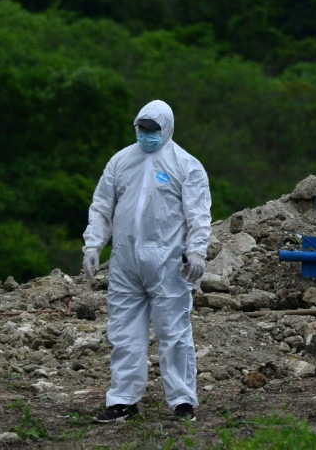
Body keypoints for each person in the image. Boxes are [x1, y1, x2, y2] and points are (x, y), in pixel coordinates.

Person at [82, 99, 211, 423]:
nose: (147, 135)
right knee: (124, 334)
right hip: (125, 263)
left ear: (166, 129)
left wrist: (196, 253)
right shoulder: (121, 161)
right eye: (143, 129)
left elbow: (198, 215)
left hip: (169, 264)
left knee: (175, 334)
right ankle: (123, 400)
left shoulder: (186, 165)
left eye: (154, 130)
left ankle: (182, 401)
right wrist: (93, 245)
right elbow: (102, 206)